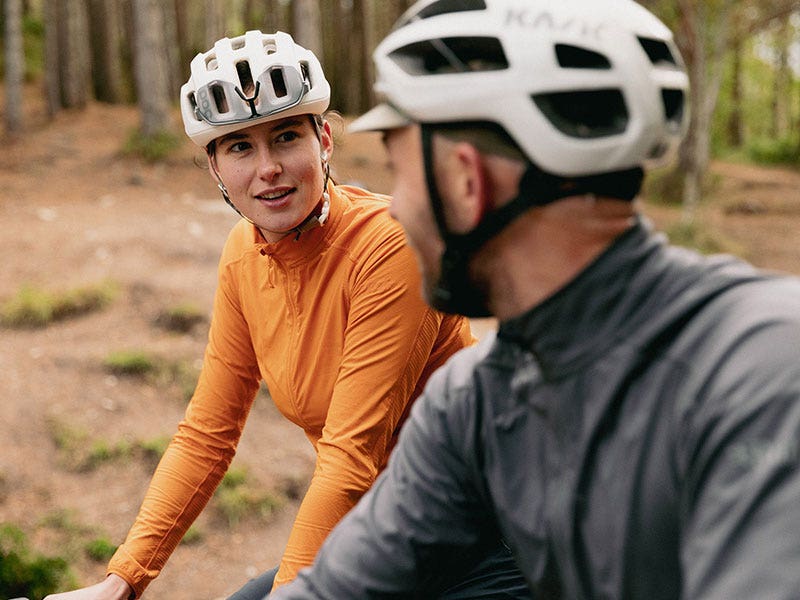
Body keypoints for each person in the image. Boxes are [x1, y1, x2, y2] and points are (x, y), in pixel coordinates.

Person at [270, 0, 800, 598]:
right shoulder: (471, 403)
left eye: (400, 171)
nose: (395, 207)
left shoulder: (768, 368)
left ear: (468, 183)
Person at [44, 30, 531, 600]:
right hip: (389, 535)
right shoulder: (242, 257)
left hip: (491, 538)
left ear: (323, 138)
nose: (268, 167)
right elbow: (207, 433)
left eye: (285, 136)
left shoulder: (390, 246)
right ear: (214, 168)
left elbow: (352, 454)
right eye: (240, 147)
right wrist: (122, 579)